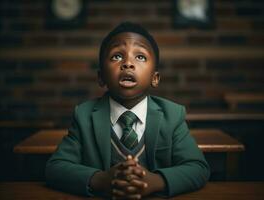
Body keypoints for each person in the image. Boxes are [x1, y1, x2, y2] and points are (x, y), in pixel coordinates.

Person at [45, 22, 210, 199]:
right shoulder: (84, 115)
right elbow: (56, 168)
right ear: (101, 78)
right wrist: (101, 180)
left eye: (140, 57)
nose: (128, 63)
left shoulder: (172, 115)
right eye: (116, 57)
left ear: (155, 78)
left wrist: (154, 181)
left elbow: (198, 167)